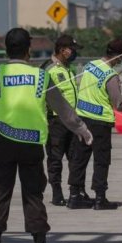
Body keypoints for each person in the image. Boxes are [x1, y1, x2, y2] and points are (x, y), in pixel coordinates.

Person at [0, 28, 93, 243]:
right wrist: (82, 130)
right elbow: (64, 110)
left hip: (4, 142)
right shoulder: (41, 76)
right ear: (29, 49)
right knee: (33, 194)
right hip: (31, 144)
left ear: (7, 49)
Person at [67, 38, 122, 210]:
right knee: (101, 160)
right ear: (119, 55)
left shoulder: (90, 65)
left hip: (81, 118)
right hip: (100, 123)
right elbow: (119, 104)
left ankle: (75, 195)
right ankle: (100, 198)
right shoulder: (111, 76)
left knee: (79, 158)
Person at [40, 34, 83, 206]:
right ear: (62, 50)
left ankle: (76, 191)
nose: (74, 53)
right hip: (56, 122)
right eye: (72, 49)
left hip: (72, 121)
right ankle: (57, 193)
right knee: (55, 159)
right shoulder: (48, 70)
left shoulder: (69, 69)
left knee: (75, 158)